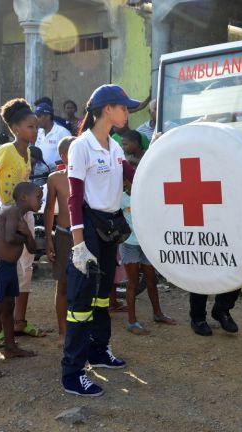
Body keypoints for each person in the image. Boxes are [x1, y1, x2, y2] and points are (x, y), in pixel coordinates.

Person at [62, 84, 140, 397]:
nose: (127, 113)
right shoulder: (81, 146)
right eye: (124, 108)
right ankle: (72, 372)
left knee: (102, 294)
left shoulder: (115, 145)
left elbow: (132, 175)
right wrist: (78, 244)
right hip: (89, 228)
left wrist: (160, 153)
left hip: (110, 227)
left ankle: (98, 350)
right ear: (107, 109)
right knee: (81, 301)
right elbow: (74, 197)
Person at [0, 98, 45, 340]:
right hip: (7, 214)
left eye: (36, 126)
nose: (35, 131)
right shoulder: (5, 150)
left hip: (25, 215)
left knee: (25, 269)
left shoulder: (27, 152)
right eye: (30, 126)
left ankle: (19, 322)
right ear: (15, 128)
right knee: (4, 269)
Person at [0, 182, 40, 378]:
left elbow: (32, 248)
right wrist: (25, 234)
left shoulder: (22, 218)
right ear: (24, 197)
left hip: (9, 267)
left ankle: (10, 346)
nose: (41, 200)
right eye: (38, 197)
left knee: (8, 307)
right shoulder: (12, 212)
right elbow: (9, 237)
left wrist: (27, 233)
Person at [120, 133, 175, 334]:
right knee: (133, 283)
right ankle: (132, 321)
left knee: (151, 280)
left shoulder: (148, 195)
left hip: (148, 243)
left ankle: (158, 313)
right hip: (130, 244)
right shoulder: (120, 199)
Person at [45, 136, 76, 347]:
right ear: (64, 155)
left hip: (86, 235)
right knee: (63, 285)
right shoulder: (55, 178)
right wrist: (49, 239)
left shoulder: (90, 176)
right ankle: (63, 332)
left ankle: (83, 331)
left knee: (86, 286)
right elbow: (49, 209)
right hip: (64, 235)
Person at [35, 103, 72, 168]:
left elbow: (71, 155)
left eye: (39, 116)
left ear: (48, 116)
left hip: (55, 174)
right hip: (37, 174)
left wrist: (56, 167)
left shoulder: (63, 132)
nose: (36, 119)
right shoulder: (38, 132)